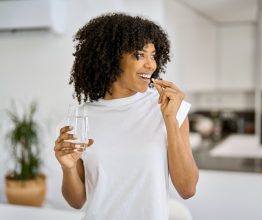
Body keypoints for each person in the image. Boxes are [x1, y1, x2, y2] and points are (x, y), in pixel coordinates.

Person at [53, 12, 199, 220]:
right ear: (111, 57)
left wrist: (170, 121)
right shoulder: (80, 118)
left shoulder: (169, 108)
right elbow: (77, 202)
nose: (151, 65)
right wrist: (67, 167)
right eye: (140, 55)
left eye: (153, 55)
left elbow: (188, 188)